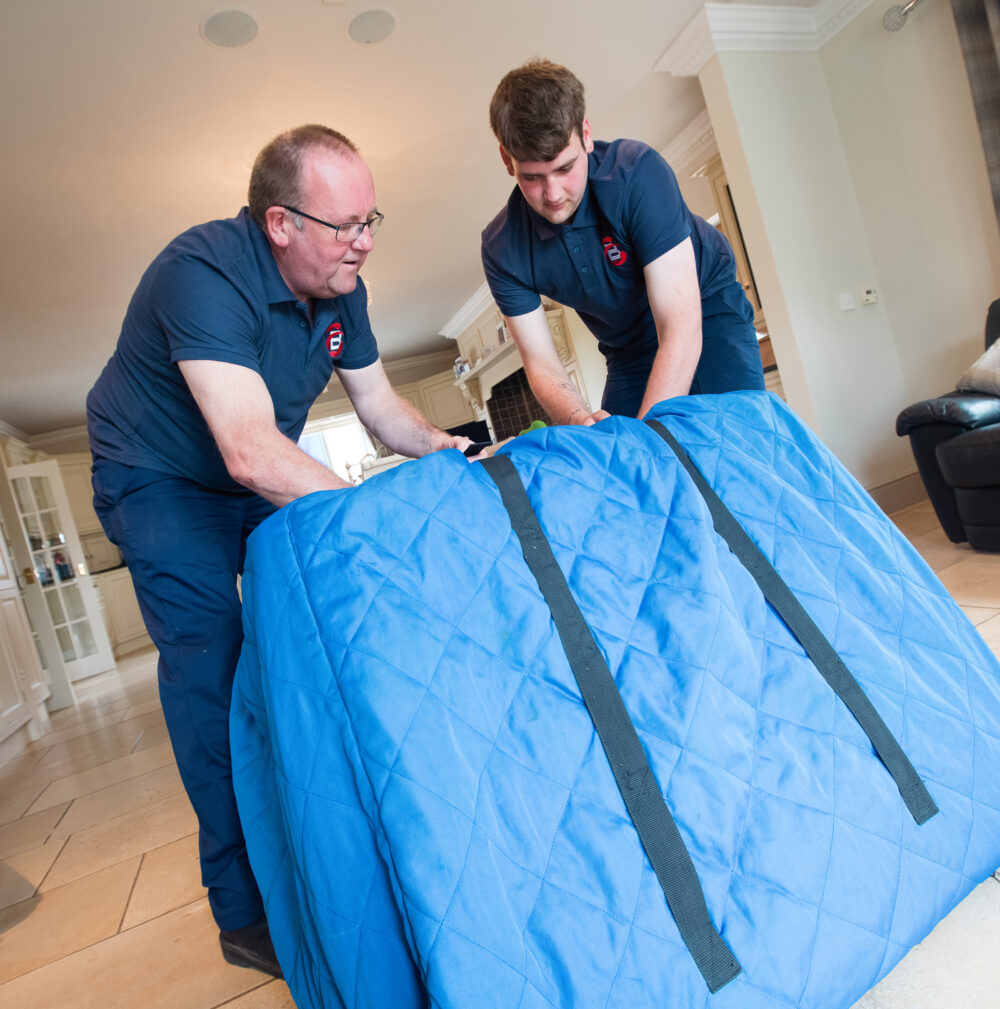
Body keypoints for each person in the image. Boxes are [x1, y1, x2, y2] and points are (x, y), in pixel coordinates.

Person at [85, 124, 474, 978]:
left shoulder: (342, 288)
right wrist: (368, 521)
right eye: (346, 225)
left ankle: (326, 839)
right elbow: (250, 451)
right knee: (216, 671)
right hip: (159, 477)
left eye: (371, 221)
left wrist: (448, 450)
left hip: (247, 467)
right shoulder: (200, 273)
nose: (364, 241)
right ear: (280, 223)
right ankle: (243, 911)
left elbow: (382, 411)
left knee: (311, 636)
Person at [481, 60, 766, 425]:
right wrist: (578, 418)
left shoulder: (637, 174)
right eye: (533, 177)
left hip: (707, 310)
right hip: (626, 348)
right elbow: (541, 363)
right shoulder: (502, 249)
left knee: (736, 440)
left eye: (565, 169)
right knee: (616, 454)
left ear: (586, 135)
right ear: (507, 160)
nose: (552, 194)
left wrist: (646, 441)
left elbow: (680, 326)